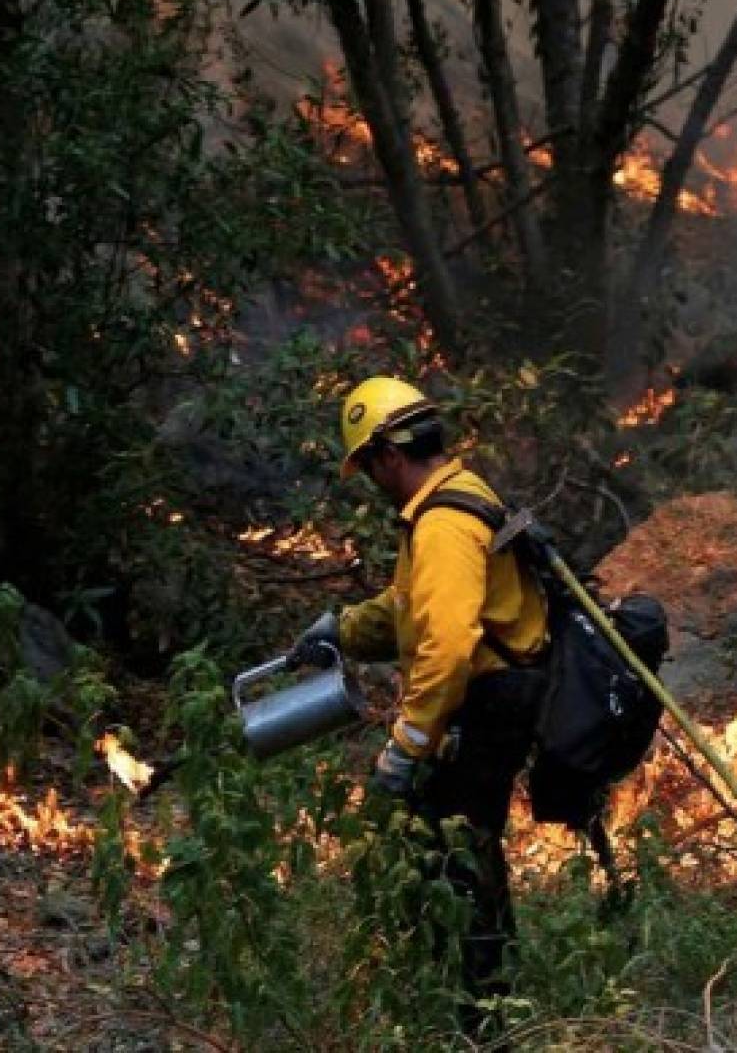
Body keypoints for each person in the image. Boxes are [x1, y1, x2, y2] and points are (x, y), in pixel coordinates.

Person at [289, 375, 549, 1033]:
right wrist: (341, 629)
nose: (373, 481)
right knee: (459, 847)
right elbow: (411, 610)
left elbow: (446, 649)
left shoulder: (443, 524)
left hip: (489, 699)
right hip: (489, 694)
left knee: (454, 848)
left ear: (388, 458)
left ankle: (481, 1016)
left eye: (369, 468)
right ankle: (478, 1000)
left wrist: (406, 746)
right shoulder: (454, 500)